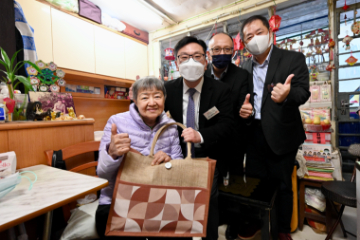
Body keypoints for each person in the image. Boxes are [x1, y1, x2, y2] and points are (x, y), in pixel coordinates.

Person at [239, 15, 310, 240]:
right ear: (244, 42)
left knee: (282, 185)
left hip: (283, 134)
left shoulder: (293, 58)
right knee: (255, 183)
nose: (255, 39)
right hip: (254, 134)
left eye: (259, 32)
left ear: (270, 32)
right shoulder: (244, 65)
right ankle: (258, 222)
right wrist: (244, 109)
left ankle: (282, 230)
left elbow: (303, 92)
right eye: (249, 36)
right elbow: (244, 98)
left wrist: (288, 94)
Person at [164, 36, 235, 240]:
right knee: (176, 204)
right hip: (175, 156)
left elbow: (227, 125)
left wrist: (200, 135)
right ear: (177, 63)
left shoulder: (221, 90)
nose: (191, 62)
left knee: (207, 205)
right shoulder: (167, 90)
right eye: (184, 57)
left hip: (207, 156)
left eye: (197, 56)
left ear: (206, 62)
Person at [96, 77, 184, 240]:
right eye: (144, 97)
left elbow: (179, 169)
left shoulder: (170, 126)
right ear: (135, 100)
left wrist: (168, 160)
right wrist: (112, 154)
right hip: (118, 200)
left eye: (157, 96)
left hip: (159, 198)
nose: (152, 102)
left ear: (164, 99)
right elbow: (102, 174)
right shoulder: (116, 122)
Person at [205, 32, 250, 175]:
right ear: (208, 53)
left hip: (233, 141)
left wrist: (247, 111)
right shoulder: (201, 75)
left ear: (233, 52)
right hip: (206, 140)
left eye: (227, 49)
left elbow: (239, 108)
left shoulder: (242, 75)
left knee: (234, 185)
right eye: (216, 49)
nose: (222, 53)